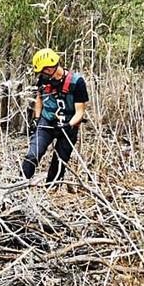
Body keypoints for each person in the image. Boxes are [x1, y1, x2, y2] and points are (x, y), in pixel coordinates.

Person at [22, 48, 89, 185]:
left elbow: (80, 112)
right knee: (32, 155)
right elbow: (39, 99)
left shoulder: (77, 82)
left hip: (68, 126)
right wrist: (36, 119)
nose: (41, 74)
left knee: (59, 162)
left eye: (43, 71)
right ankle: (19, 183)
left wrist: (68, 125)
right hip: (47, 122)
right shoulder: (43, 80)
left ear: (50, 68)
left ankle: (51, 188)